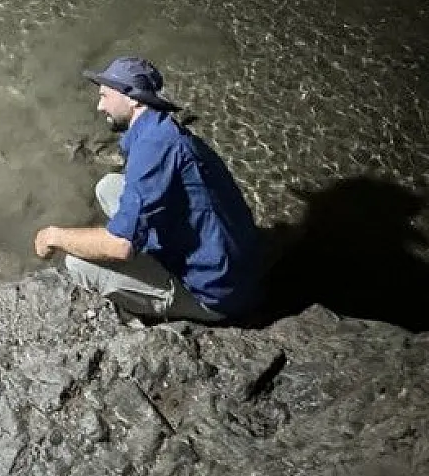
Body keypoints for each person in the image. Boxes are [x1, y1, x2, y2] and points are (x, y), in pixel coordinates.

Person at [34, 56, 262, 322]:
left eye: (105, 96)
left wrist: (54, 236)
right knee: (109, 187)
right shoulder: (161, 130)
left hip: (215, 294)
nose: (99, 106)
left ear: (133, 99)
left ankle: (165, 306)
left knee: (79, 263)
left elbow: (120, 246)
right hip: (234, 265)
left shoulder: (154, 147)